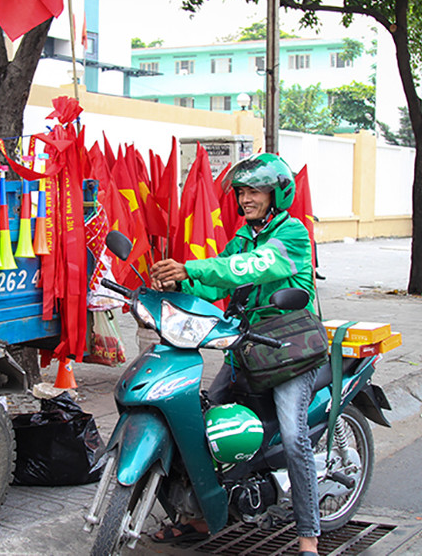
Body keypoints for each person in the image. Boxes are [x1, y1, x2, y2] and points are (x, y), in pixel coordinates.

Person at [150, 153, 321, 556]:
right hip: (247, 348)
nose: (246, 199)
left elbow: (249, 268)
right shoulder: (242, 236)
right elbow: (221, 282)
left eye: (255, 191)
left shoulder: (292, 233)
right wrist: (171, 295)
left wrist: (192, 268)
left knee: (295, 437)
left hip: (288, 350)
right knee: (199, 424)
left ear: (277, 193)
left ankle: (309, 536)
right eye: (242, 192)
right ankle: (198, 515)